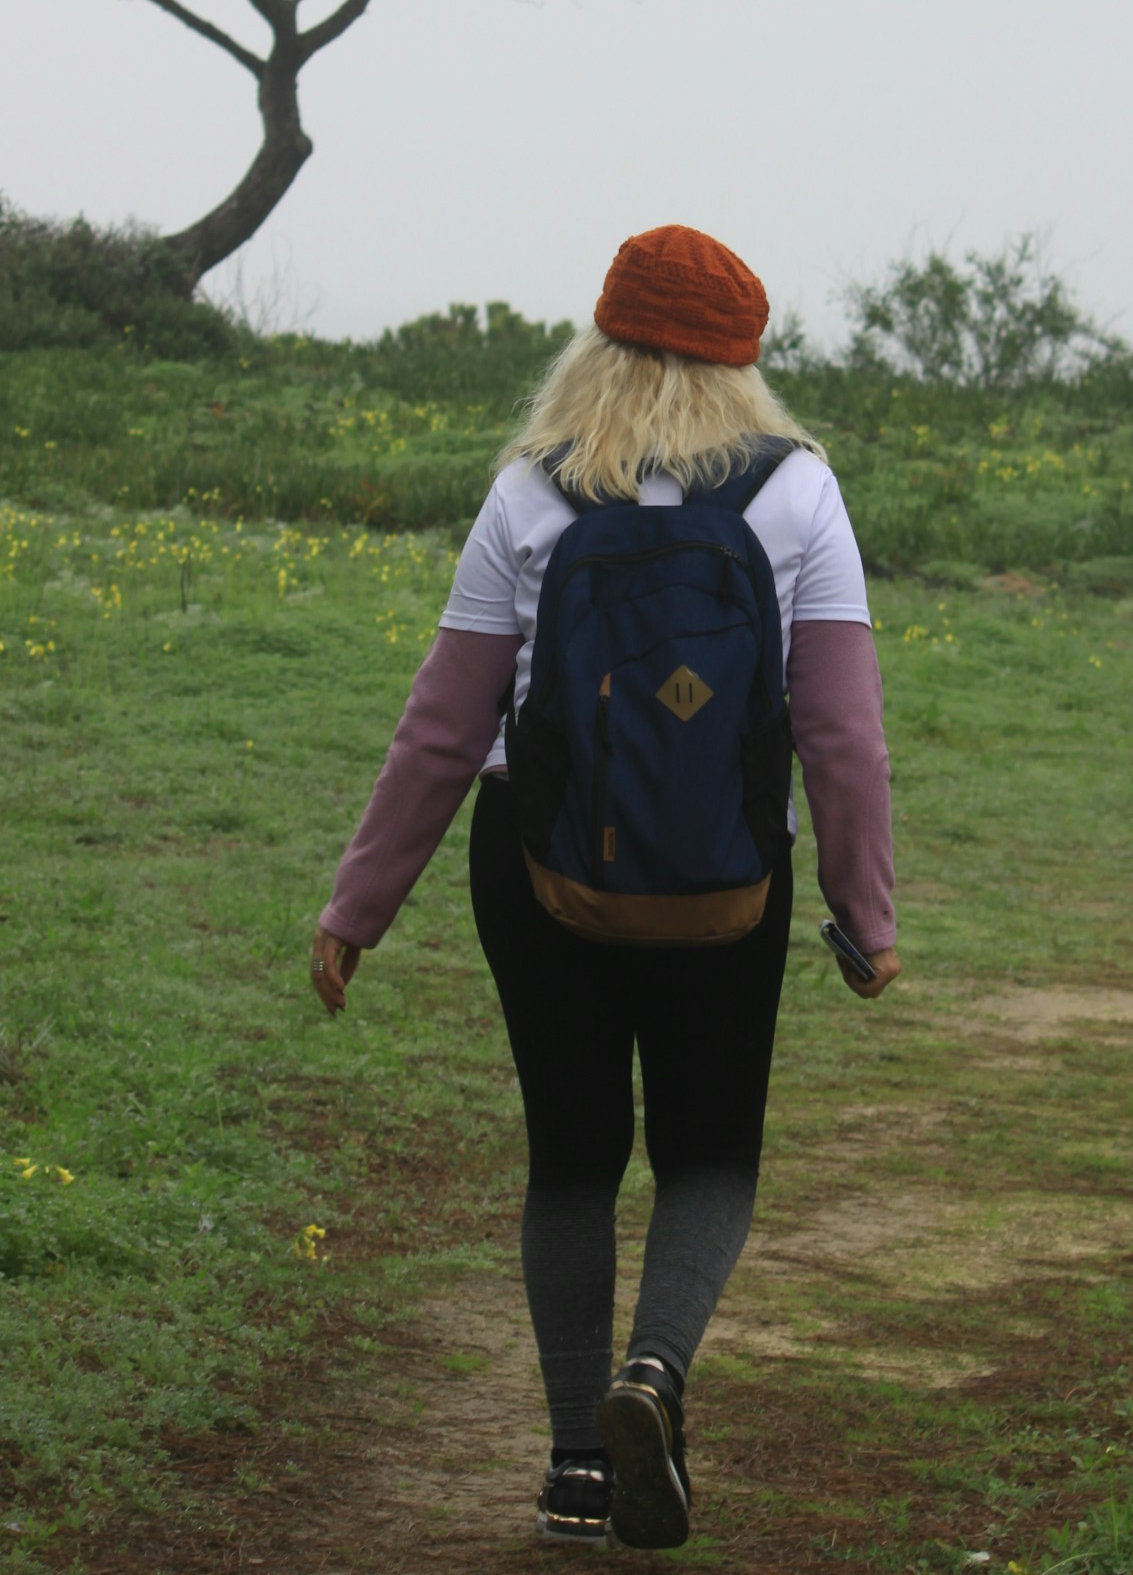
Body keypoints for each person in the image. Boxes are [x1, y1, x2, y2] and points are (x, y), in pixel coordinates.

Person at [311, 224, 899, 1552]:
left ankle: (579, 1462)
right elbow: (843, 734)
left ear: (601, 340)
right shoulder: (797, 494)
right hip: (729, 879)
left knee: (572, 1159)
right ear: (743, 362)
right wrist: (866, 917)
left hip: (538, 864)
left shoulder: (532, 490)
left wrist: (359, 909)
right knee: (709, 1155)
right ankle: (659, 1371)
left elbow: (444, 729)